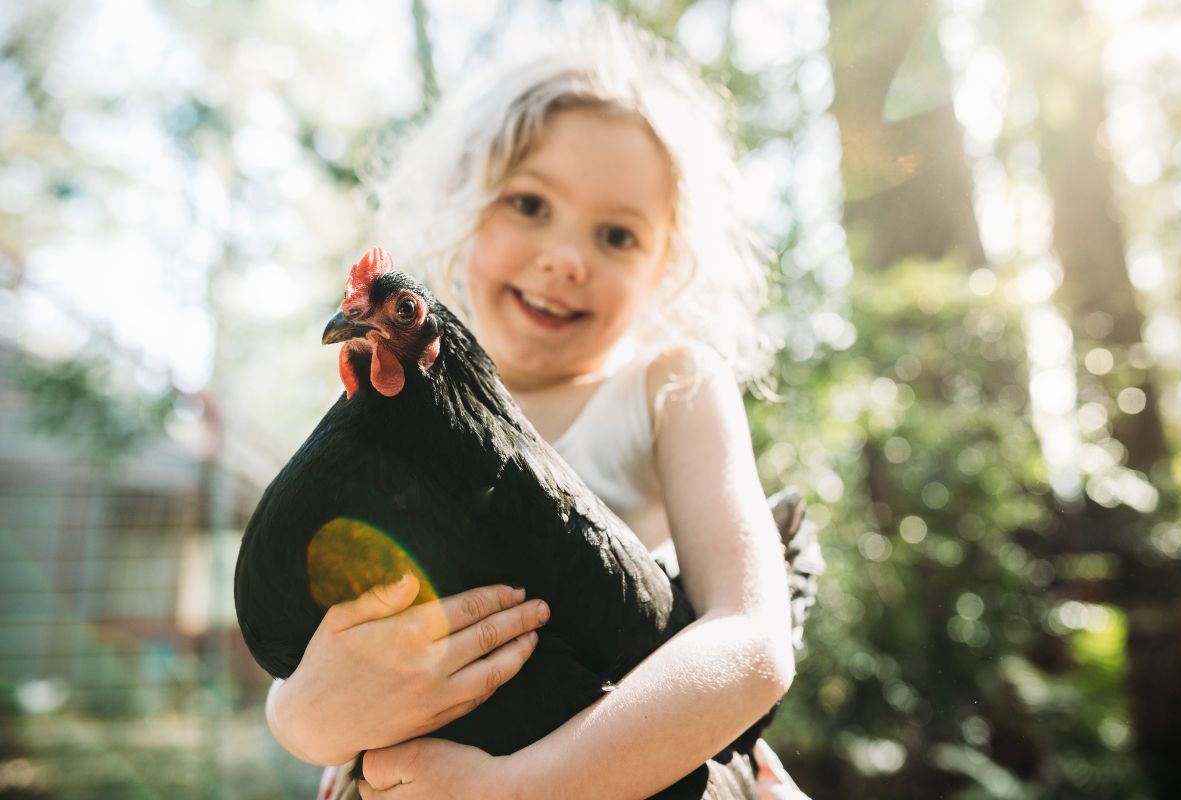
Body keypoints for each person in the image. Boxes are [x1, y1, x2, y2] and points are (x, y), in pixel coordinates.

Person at [267, 15, 804, 799]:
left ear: (668, 267)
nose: (566, 258)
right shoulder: (391, 404)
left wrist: (518, 789)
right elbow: (319, 666)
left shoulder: (668, 387)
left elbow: (752, 641)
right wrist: (302, 720)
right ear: (466, 203)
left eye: (617, 235)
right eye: (529, 204)